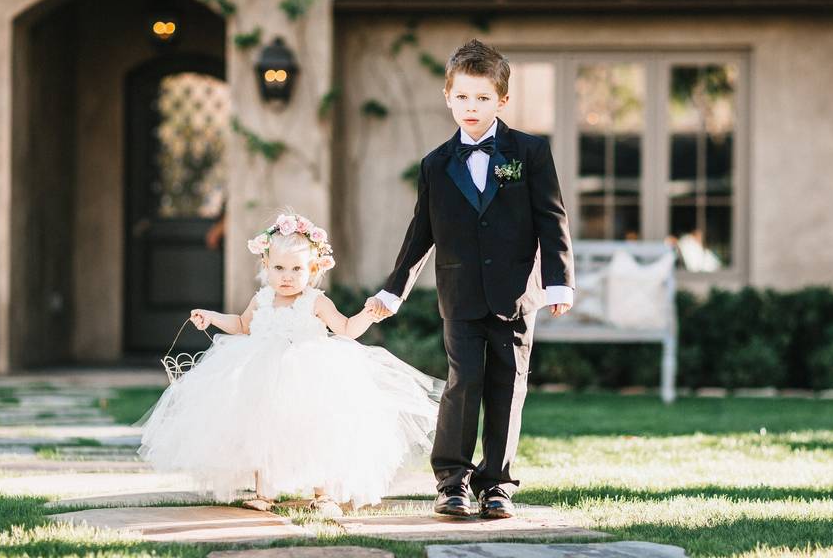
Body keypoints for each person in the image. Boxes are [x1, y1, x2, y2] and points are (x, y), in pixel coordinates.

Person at [366, 39, 575, 519]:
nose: (471, 107)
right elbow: (421, 233)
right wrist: (393, 289)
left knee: (508, 385)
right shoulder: (436, 165)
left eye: (482, 98)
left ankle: (497, 483)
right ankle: (451, 481)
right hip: (459, 295)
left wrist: (559, 281)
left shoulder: (529, 152)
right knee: (464, 382)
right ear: (447, 97)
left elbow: (552, 218)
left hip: (517, 295)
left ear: (502, 101)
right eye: (462, 97)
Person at [137, 212, 442, 515]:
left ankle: (323, 493)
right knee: (263, 427)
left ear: (313, 269)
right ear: (266, 267)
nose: (287, 276)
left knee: (318, 429)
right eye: (279, 268)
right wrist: (212, 317)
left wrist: (367, 315)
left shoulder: (316, 301)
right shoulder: (262, 299)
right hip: (263, 373)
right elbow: (243, 325)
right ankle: (264, 493)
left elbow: (346, 329)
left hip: (311, 375)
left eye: (297, 269)